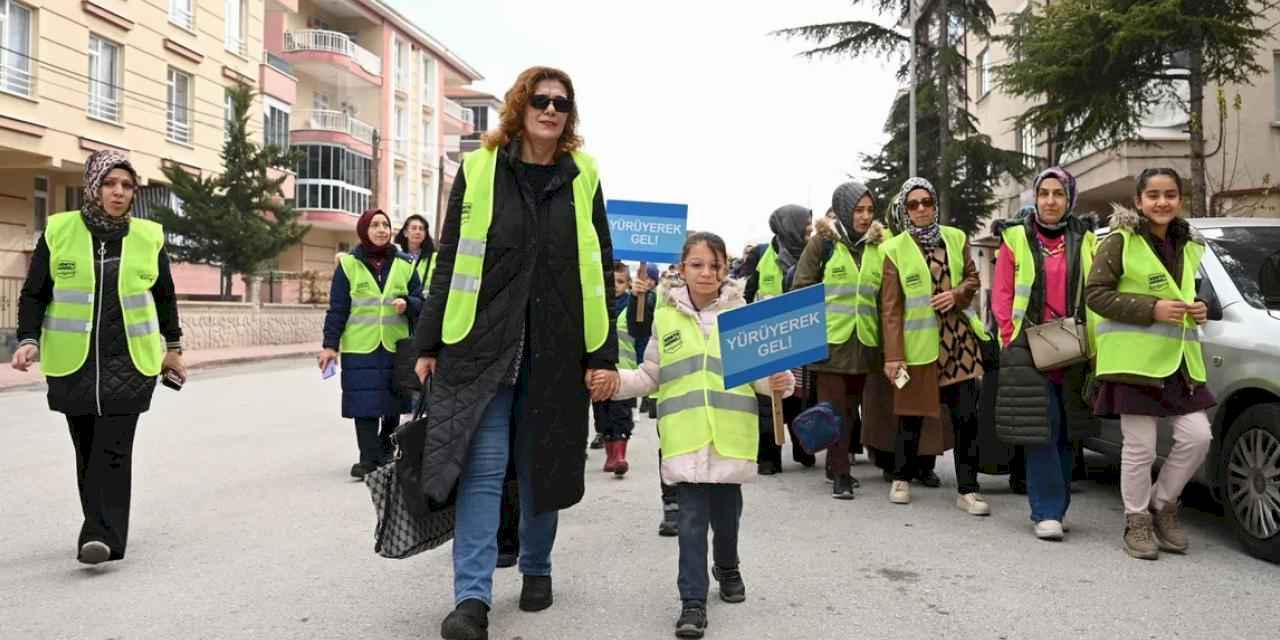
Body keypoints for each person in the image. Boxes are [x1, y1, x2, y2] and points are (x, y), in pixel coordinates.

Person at [412, 66, 618, 640]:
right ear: (521, 106)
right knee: (481, 471)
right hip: (482, 346)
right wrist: (428, 342)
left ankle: (537, 565)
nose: (551, 110)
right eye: (541, 100)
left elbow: (598, 266)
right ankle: (471, 599)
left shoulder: (584, 176)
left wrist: (601, 355)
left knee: (541, 464)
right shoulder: (478, 170)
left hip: (557, 348)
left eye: (562, 103)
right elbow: (450, 257)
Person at [607, 232, 794, 639]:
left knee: (727, 520)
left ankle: (727, 567)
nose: (707, 272)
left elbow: (762, 379)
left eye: (715, 264)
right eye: (697, 264)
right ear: (682, 268)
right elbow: (651, 375)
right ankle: (692, 601)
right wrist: (613, 383)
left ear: (726, 268)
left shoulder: (742, 315)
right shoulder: (666, 316)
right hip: (685, 439)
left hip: (730, 439)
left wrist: (781, 382)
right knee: (691, 522)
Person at [11, 149, 186, 565]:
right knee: (86, 449)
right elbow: (35, 293)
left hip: (131, 361)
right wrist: (27, 338)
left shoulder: (149, 236)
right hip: (74, 363)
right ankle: (101, 527)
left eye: (127, 185)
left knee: (114, 450)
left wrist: (174, 348)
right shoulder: (58, 231)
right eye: (110, 183)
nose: (119, 192)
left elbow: (164, 297)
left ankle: (101, 536)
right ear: (93, 187)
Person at [1085, 167, 1214, 560]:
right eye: (1153, 195)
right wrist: (1152, 309)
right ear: (1139, 201)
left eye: (1170, 195)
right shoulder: (1120, 241)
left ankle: (1162, 504)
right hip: (1134, 363)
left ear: (1179, 199)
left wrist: (1202, 308)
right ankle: (1136, 521)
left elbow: (1192, 291)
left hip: (1178, 362)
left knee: (1198, 437)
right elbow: (1095, 294)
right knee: (1139, 449)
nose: (1162, 202)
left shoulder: (1191, 245)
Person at [992, 167, 1100, 540]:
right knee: (1043, 427)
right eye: (1044, 194)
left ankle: (1059, 504)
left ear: (1069, 198)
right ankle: (1046, 510)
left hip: (1073, 344)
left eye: (1058, 194)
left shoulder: (1085, 238)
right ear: (1035, 198)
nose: (1051, 200)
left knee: (1069, 429)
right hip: (1028, 345)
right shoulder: (1016, 238)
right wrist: (1010, 335)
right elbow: (1002, 292)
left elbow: (1095, 288)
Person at [879, 177, 993, 514]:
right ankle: (901, 477)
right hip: (917, 349)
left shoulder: (956, 238)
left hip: (959, 344)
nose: (921, 209)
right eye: (913, 204)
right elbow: (891, 308)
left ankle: (968, 490)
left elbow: (973, 279)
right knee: (910, 416)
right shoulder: (894, 249)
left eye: (926, 202)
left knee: (966, 418)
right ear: (904, 210)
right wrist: (893, 356)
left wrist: (957, 295)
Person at [793, 181, 890, 499]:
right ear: (845, 210)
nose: (864, 217)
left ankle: (837, 466)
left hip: (865, 342)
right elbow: (802, 285)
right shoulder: (824, 243)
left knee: (850, 410)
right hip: (831, 341)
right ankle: (841, 476)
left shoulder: (878, 245)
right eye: (858, 210)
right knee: (832, 410)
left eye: (869, 210)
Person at [318, 209, 423, 479]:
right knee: (363, 405)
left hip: (394, 347)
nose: (381, 229)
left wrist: (408, 304)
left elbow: (422, 302)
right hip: (359, 347)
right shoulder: (348, 265)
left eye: (385, 225)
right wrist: (330, 345)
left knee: (392, 404)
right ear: (364, 230)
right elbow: (338, 309)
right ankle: (367, 459)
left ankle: (386, 451)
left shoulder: (405, 264)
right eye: (375, 225)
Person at [745, 204, 816, 474]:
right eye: (805, 225)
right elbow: (749, 291)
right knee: (768, 398)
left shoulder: (815, 252)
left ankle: (803, 448)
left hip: (801, 333)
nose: (809, 230)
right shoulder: (764, 256)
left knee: (800, 394)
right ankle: (768, 457)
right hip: (769, 337)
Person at [593, 261, 636, 474]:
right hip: (599, 373)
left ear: (628, 284)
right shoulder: (597, 306)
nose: (615, 285)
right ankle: (609, 454)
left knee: (621, 414)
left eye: (620, 281)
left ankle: (620, 455)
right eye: (611, 281)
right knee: (603, 414)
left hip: (624, 373)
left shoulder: (631, 307)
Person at [396, 213, 436, 290]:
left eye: (421, 229)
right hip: (402, 301)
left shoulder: (434, 258)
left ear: (425, 234)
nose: (418, 232)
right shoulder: (397, 257)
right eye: (414, 228)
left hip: (426, 301)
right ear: (405, 233)